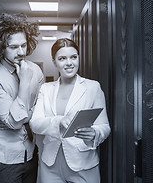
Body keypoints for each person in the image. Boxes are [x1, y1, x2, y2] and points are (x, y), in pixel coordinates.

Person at [30, 38, 111, 183]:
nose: (69, 63)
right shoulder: (46, 89)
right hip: (50, 164)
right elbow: (35, 124)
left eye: (73, 57)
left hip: (83, 163)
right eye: (62, 58)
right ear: (54, 62)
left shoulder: (93, 87)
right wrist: (60, 121)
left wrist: (95, 133)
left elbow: (104, 126)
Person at [0, 13, 44, 183]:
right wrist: (24, 83)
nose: (21, 52)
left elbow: (43, 109)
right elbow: (14, 122)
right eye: (14, 47)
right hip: (3, 158)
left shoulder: (35, 70)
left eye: (23, 45)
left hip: (31, 152)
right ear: (0, 47)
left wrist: (28, 114)